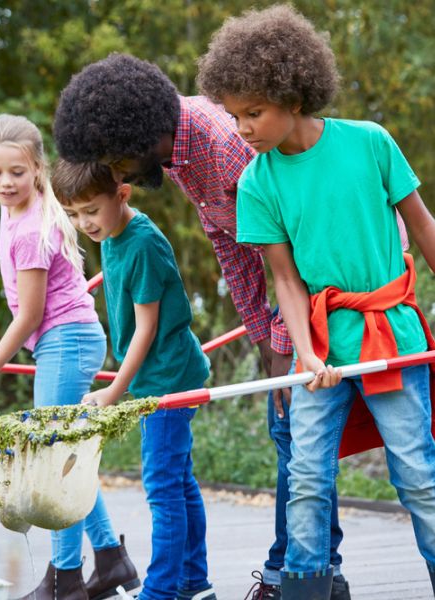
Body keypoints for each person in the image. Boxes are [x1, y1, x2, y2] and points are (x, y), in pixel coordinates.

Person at [52, 53, 351, 598]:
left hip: (332, 286)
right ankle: (293, 574)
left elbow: (294, 239)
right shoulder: (181, 155)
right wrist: (263, 339)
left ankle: (304, 575)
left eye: (116, 162)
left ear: (140, 136)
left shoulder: (222, 142)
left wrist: (287, 341)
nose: (117, 177)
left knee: (298, 437)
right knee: (289, 433)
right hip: (290, 300)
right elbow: (230, 243)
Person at [197, 4, 435, 598]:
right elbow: (285, 283)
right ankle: (306, 589)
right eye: (233, 116)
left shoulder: (371, 144)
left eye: (254, 112)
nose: (242, 128)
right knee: (305, 477)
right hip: (321, 350)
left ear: (294, 96)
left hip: (392, 340)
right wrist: (304, 354)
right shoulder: (256, 183)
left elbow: (425, 229)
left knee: (419, 477)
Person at [0, 114, 138, 599]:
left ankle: (65, 578)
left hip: (66, 339)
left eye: (16, 172)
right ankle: (111, 560)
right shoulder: (13, 210)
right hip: (63, 339)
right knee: (67, 461)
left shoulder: (30, 228)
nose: (5, 182)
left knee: (51, 462)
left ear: (37, 169)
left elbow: (30, 314)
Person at [52, 159, 214, 600]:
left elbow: (145, 328)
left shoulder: (141, 244)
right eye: (72, 214)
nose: (83, 222)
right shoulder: (110, 234)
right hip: (158, 376)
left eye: (90, 210)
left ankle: (161, 590)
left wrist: (113, 391)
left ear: (122, 194)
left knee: (162, 487)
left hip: (167, 381)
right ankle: (195, 585)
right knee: (179, 481)